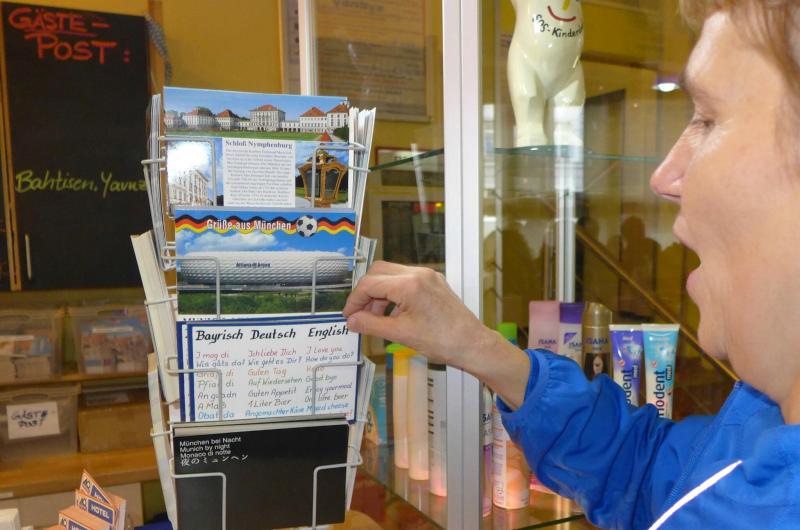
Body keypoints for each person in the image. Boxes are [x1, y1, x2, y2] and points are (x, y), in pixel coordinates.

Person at [343, 1, 800, 528]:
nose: (665, 177)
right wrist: (475, 345)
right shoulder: (763, 415)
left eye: (706, 119)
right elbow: (648, 471)